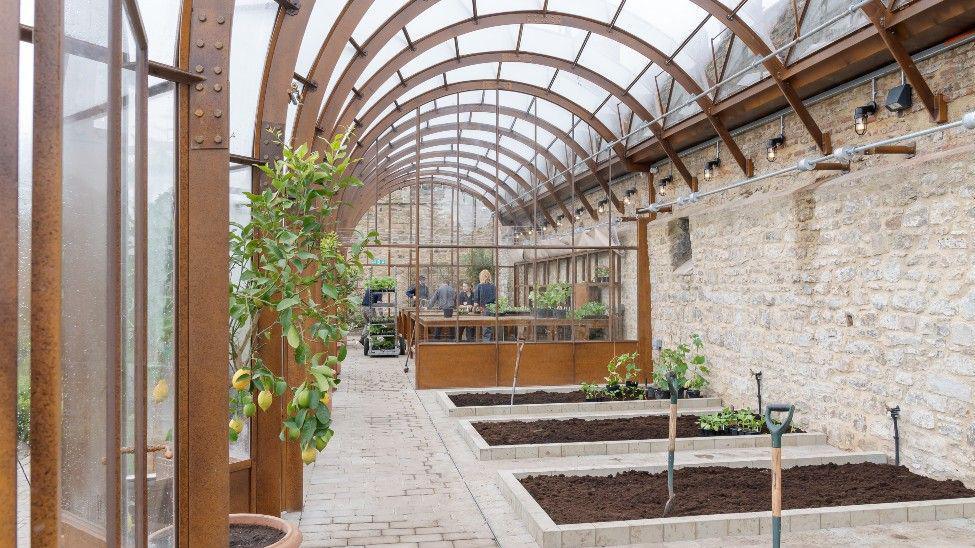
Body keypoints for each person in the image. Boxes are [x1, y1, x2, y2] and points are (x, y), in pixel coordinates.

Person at [471, 270, 497, 341]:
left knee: (485, 328)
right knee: (490, 327)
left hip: (484, 309)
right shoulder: (493, 286)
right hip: (492, 309)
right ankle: (490, 343)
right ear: (489, 276)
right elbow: (496, 299)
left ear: (481, 277)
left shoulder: (479, 286)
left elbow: (476, 302)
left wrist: (474, 309)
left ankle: (486, 344)